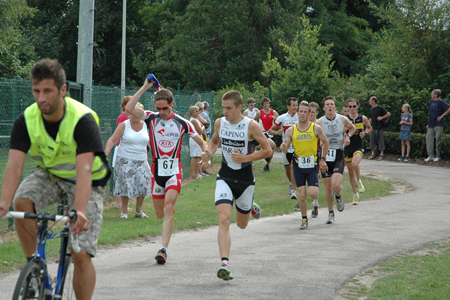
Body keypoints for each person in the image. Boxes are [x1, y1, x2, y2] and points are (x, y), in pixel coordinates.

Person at [0, 59, 111, 300]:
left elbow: (84, 171)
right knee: (21, 202)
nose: (41, 98)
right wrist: (2, 203)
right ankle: (34, 269)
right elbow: (15, 164)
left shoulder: (82, 119)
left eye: (47, 91)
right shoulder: (27, 119)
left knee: (80, 254)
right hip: (50, 174)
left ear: (62, 90)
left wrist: (78, 211)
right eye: (36, 91)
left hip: (87, 180)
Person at [125, 79, 208, 265]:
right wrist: (145, 87)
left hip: (174, 170)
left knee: (169, 207)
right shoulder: (150, 117)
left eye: (164, 108)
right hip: (156, 171)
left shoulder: (183, 123)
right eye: (158, 108)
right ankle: (166, 223)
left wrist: (206, 153)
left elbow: (202, 141)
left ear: (171, 105)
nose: (161, 112)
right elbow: (130, 108)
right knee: (160, 213)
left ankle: (163, 249)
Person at [201, 90, 272, 281]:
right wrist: (209, 153)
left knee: (241, 225)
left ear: (240, 107)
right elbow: (215, 141)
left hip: (246, 180)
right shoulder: (219, 123)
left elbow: (267, 150)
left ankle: (250, 208)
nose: (225, 111)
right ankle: (225, 263)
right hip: (225, 177)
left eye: (229, 108)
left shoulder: (251, 125)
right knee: (224, 218)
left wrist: (246, 158)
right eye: (223, 108)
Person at [280, 102, 328, 230]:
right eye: (300, 111)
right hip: (298, 165)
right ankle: (304, 219)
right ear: (297, 113)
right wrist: (284, 148)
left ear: (309, 113)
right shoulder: (291, 130)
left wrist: (323, 159)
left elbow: (325, 142)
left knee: (312, 193)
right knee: (301, 194)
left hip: (312, 164)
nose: (302, 114)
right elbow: (286, 147)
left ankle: (315, 203)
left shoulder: (315, 128)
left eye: (305, 112)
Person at [105, 102, 151, 219]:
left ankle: (138, 211)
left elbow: (150, 142)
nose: (132, 115)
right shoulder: (124, 125)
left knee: (143, 183)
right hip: (125, 160)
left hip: (141, 159)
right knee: (125, 185)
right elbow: (112, 140)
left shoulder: (146, 125)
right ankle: (124, 211)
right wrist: (105, 154)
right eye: (130, 112)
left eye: (135, 112)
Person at [316, 96, 356, 224]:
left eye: (331, 104)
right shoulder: (319, 122)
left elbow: (353, 127)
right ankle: (330, 213)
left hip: (338, 154)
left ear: (334, 106)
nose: (329, 106)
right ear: (324, 108)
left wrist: (348, 137)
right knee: (328, 187)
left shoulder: (342, 119)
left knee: (336, 185)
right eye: (327, 104)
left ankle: (338, 196)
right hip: (325, 156)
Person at [269, 97, 299, 200]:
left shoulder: (300, 117)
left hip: (297, 147)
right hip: (285, 147)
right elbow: (270, 131)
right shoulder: (282, 118)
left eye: (296, 105)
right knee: (288, 168)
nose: (295, 107)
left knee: (294, 168)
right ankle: (291, 182)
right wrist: (277, 132)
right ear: (288, 106)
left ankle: (294, 191)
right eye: (293, 105)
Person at [344, 99, 372, 205]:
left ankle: (359, 180)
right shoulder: (345, 119)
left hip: (358, 146)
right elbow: (340, 132)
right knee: (350, 173)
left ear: (358, 106)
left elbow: (370, 128)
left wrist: (365, 132)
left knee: (355, 163)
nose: (352, 109)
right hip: (347, 148)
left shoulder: (362, 118)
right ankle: (355, 195)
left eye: (354, 106)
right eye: (349, 106)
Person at [425, 89, 450, 162]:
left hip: (439, 124)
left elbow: (449, 108)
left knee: (438, 140)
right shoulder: (431, 101)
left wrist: (443, 115)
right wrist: (428, 123)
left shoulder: (441, 102)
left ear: (436, 95)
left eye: (432, 93)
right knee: (429, 139)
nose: (431, 95)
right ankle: (430, 156)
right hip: (431, 124)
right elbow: (431, 113)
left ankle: (438, 156)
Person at [368, 96, 391, 160]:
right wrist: (368, 126)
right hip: (373, 127)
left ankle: (381, 154)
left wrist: (382, 117)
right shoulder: (371, 109)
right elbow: (370, 118)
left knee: (380, 140)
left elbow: (388, 114)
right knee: (372, 140)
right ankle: (373, 153)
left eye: (370, 100)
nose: (369, 101)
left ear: (373, 101)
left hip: (379, 127)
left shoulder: (380, 108)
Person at [259, 97, 278, 171]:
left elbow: (279, 121)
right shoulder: (260, 112)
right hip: (263, 132)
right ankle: (261, 147)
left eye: (268, 103)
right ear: (262, 105)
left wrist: (276, 119)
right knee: (273, 145)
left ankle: (267, 165)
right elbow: (253, 121)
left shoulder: (274, 112)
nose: (267, 105)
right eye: (265, 103)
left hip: (271, 132)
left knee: (272, 149)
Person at [188, 105, 206, 179]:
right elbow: (201, 131)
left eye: (198, 111)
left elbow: (203, 126)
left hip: (199, 139)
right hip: (194, 140)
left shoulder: (197, 119)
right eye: (196, 111)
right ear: (192, 113)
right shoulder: (193, 120)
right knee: (195, 157)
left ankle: (199, 172)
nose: (198, 112)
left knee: (199, 156)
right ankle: (192, 174)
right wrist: (203, 128)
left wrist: (203, 127)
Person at [201, 101, 213, 176]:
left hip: (205, 133)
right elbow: (205, 124)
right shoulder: (204, 114)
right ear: (207, 108)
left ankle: (203, 168)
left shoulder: (204, 114)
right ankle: (203, 169)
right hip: (205, 134)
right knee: (205, 150)